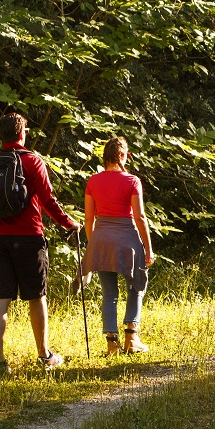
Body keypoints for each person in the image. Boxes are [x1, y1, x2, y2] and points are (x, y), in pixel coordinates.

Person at [0, 113, 81, 375]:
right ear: (23, 134)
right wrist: (70, 224)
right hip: (30, 238)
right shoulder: (32, 161)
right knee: (36, 296)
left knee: (0, 298)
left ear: (1, 135)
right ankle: (44, 357)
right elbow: (47, 200)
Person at [82, 136, 155, 355]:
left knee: (109, 293)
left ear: (105, 158)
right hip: (128, 241)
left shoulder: (93, 181)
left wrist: (93, 244)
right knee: (137, 284)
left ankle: (112, 344)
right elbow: (140, 217)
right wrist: (149, 248)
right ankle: (132, 338)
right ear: (122, 156)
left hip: (101, 239)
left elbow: (88, 219)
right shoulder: (132, 181)